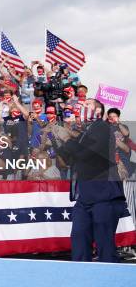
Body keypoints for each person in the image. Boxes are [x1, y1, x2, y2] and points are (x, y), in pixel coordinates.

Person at [59, 100, 126, 262]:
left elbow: (86, 154)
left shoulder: (102, 127)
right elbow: (64, 161)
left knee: (105, 247)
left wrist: (67, 139)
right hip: (84, 198)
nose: (81, 106)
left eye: (86, 104)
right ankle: (80, 279)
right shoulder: (83, 134)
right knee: (79, 240)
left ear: (98, 111)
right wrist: (66, 139)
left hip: (104, 196)